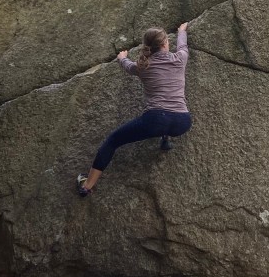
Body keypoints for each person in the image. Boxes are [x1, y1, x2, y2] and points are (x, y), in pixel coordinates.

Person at [77, 22, 191, 196]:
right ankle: (165, 140)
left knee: (113, 140)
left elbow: (127, 65)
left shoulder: (142, 67)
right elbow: (183, 45)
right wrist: (182, 31)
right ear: (165, 44)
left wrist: (122, 57)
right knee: (167, 120)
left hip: (156, 119)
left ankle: (87, 185)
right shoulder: (180, 58)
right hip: (182, 122)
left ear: (148, 47)